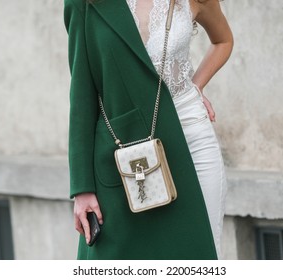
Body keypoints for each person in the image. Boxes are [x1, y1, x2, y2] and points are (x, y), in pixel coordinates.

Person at [64, 0, 233, 259]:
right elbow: (82, 95)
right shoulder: (84, 4)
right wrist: (82, 187)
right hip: (127, 149)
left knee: (200, 256)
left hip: (192, 136)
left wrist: (196, 86)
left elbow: (223, 41)